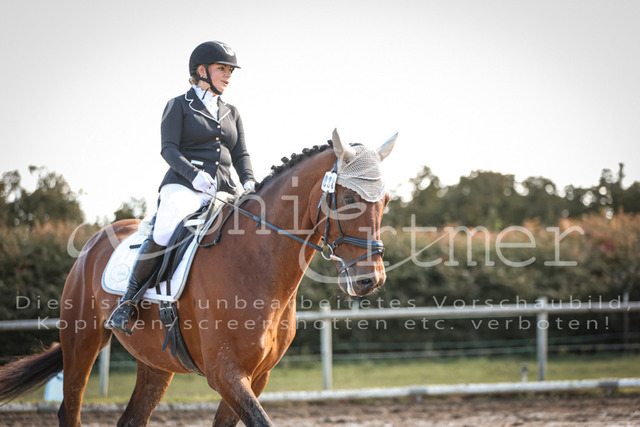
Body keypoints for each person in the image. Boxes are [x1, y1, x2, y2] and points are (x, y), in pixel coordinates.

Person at [105, 41, 256, 334]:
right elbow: (169, 149)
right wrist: (193, 175)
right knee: (165, 228)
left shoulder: (232, 112)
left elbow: (241, 154)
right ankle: (128, 301)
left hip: (225, 188)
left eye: (230, 70)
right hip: (185, 186)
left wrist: (249, 180)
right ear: (201, 70)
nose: (228, 75)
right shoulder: (178, 105)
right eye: (222, 69)